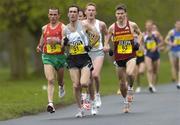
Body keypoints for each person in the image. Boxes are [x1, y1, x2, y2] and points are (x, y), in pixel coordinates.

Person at [103, 4, 142, 113]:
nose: (120, 15)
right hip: (119, 57)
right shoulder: (112, 27)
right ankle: (126, 102)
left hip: (131, 55)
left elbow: (140, 34)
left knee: (129, 73)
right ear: (116, 15)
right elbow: (107, 39)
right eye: (118, 14)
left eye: (122, 13)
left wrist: (137, 43)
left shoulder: (132, 25)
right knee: (121, 83)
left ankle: (130, 89)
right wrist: (106, 46)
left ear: (125, 14)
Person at [63, 5, 99, 117]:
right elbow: (63, 47)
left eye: (75, 12)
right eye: (71, 12)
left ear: (78, 14)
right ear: (68, 14)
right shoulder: (65, 29)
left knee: (84, 83)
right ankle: (80, 109)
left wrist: (90, 45)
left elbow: (96, 35)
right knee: (75, 85)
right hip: (72, 58)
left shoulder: (84, 25)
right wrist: (64, 43)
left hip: (84, 57)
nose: (73, 14)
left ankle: (92, 102)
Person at [36, 7, 66, 113]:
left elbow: (65, 42)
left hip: (60, 57)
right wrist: (40, 46)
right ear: (48, 15)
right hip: (48, 56)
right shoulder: (45, 28)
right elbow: (43, 38)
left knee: (60, 80)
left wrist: (57, 41)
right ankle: (50, 103)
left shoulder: (63, 27)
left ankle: (61, 86)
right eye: (51, 14)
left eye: (55, 15)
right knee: (50, 79)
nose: (53, 17)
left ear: (58, 15)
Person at [83, 2, 108, 108]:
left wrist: (106, 45)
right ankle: (90, 96)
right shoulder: (81, 24)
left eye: (93, 10)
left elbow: (107, 34)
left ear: (96, 12)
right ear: (85, 12)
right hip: (86, 53)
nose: (91, 12)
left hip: (98, 52)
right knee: (88, 80)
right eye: (89, 10)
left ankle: (97, 94)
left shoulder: (101, 24)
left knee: (95, 75)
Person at [143, 20, 164, 93]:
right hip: (147, 54)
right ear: (145, 26)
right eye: (147, 25)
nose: (148, 27)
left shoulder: (156, 33)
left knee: (155, 71)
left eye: (150, 25)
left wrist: (156, 46)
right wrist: (142, 48)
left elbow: (162, 42)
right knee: (149, 69)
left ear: (152, 26)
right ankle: (150, 85)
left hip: (156, 54)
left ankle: (153, 85)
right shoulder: (143, 34)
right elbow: (140, 43)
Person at [165, 20, 180, 89]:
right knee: (174, 66)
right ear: (175, 25)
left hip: (179, 50)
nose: (178, 26)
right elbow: (166, 40)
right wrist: (171, 44)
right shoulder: (172, 32)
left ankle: (179, 82)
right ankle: (175, 78)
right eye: (177, 24)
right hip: (172, 51)